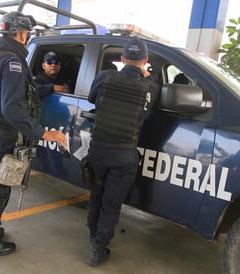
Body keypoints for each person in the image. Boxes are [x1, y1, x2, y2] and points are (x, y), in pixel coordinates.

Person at [0, 11, 67, 258]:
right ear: (22, 34)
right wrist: (44, 133)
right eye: (28, 33)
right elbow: (11, 108)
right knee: (0, 186)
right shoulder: (11, 62)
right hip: (2, 135)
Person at [86, 38, 160, 267]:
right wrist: (147, 75)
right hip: (124, 155)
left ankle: (92, 236)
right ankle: (98, 249)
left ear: (121, 58)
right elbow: (148, 111)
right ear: (145, 61)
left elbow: (91, 99)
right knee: (111, 204)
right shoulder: (150, 87)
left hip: (98, 150)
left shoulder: (104, 77)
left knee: (96, 194)